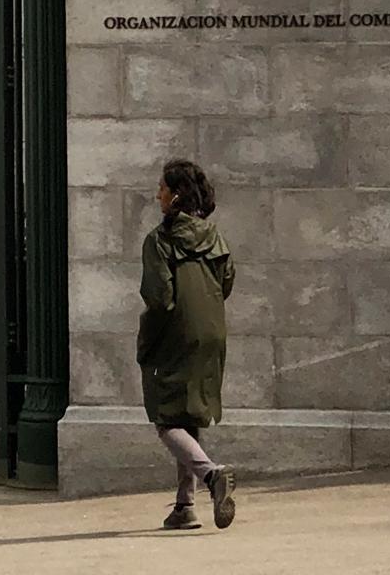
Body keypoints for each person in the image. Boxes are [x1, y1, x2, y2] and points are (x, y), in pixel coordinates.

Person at [137, 158, 238, 532]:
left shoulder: (159, 240)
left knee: (166, 418)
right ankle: (185, 505)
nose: (157, 194)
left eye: (162, 187)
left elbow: (160, 298)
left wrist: (148, 337)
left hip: (175, 334)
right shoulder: (215, 237)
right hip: (213, 332)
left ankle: (212, 477)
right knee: (188, 413)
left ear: (175, 194)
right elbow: (226, 283)